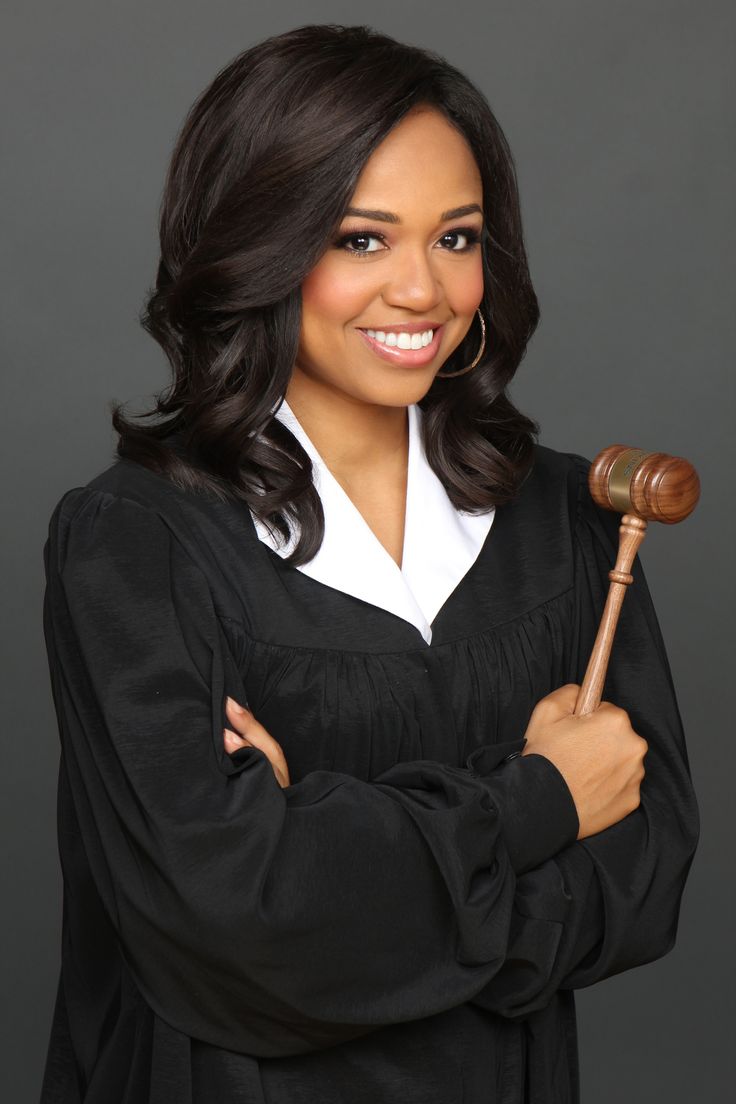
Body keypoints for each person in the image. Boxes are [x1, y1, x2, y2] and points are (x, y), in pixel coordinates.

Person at [39, 23, 699, 1104]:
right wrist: (537, 802)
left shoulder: (564, 520)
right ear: (259, 242)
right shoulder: (140, 543)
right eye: (359, 239)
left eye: (456, 237)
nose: (423, 292)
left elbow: (644, 881)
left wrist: (331, 858)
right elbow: (222, 931)